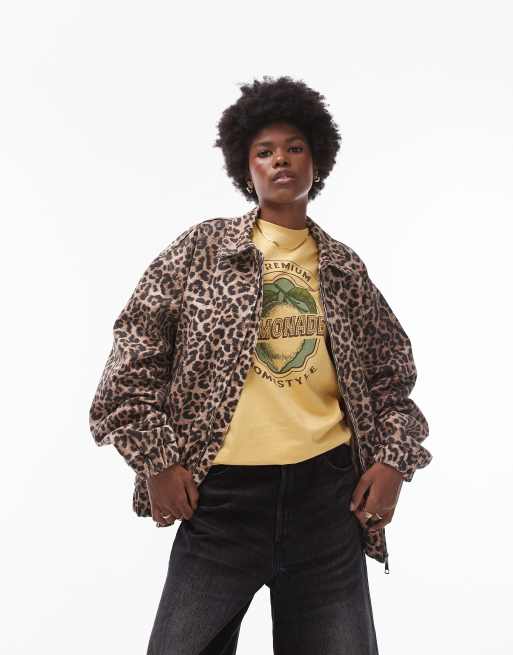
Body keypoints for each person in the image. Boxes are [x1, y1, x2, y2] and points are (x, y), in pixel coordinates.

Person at [89, 75, 432, 655]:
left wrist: (394, 462)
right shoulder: (201, 252)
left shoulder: (343, 268)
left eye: (295, 148)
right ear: (244, 169)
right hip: (221, 500)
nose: (281, 160)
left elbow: (390, 372)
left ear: (317, 162)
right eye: (264, 151)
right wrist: (158, 460)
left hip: (327, 500)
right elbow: (133, 359)